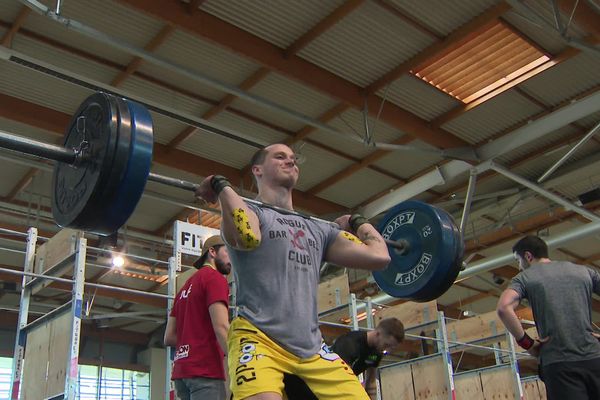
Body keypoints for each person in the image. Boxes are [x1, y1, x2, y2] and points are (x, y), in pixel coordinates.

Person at [195, 143, 391, 400]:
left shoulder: (318, 229)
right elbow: (247, 235)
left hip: (312, 349)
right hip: (258, 339)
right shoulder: (251, 213)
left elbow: (380, 256)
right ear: (257, 170)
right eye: (280, 157)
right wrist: (221, 186)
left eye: (293, 159)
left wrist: (357, 222)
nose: (291, 162)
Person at [496, 235, 600, 400]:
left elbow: (503, 307)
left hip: (560, 365)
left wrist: (527, 343)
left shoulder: (525, 278)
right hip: (595, 358)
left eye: (518, 260)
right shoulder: (584, 271)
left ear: (528, 256)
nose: (519, 266)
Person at [164, 235, 232, 400]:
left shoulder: (183, 291)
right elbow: (221, 326)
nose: (232, 258)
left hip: (182, 373)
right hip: (205, 370)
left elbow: (169, 337)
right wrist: (239, 360)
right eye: (227, 251)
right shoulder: (215, 279)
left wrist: (193, 338)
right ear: (212, 252)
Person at [283, 317, 405, 400]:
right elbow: (338, 380)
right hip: (309, 388)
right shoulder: (349, 344)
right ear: (378, 333)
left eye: (391, 347)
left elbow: (370, 382)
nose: (387, 350)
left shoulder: (377, 352)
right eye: (387, 345)